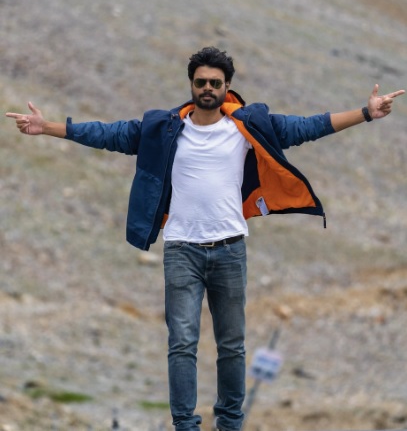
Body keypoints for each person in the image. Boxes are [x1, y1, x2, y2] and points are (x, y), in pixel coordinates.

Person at [6, 46, 405, 431]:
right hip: (182, 250)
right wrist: (48, 128)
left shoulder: (247, 127)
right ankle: (185, 425)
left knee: (232, 345)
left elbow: (308, 126)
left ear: (227, 85)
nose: (208, 88)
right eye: (201, 82)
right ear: (192, 85)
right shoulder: (164, 129)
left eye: (215, 82)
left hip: (230, 249)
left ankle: (229, 424)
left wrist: (366, 113)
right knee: (182, 342)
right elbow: (109, 134)